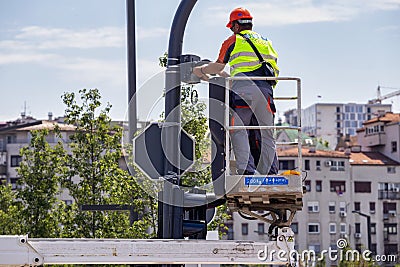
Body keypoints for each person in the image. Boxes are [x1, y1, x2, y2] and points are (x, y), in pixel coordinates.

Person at [193, 7, 279, 175]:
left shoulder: (233, 40)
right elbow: (259, 69)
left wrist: (202, 70)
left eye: (232, 27)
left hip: (244, 92)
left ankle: (247, 170)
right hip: (265, 91)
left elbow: (218, 65)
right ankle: (271, 171)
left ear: (236, 25)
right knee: (266, 133)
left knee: (239, 129)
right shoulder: (266, 42)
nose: (232, 30)